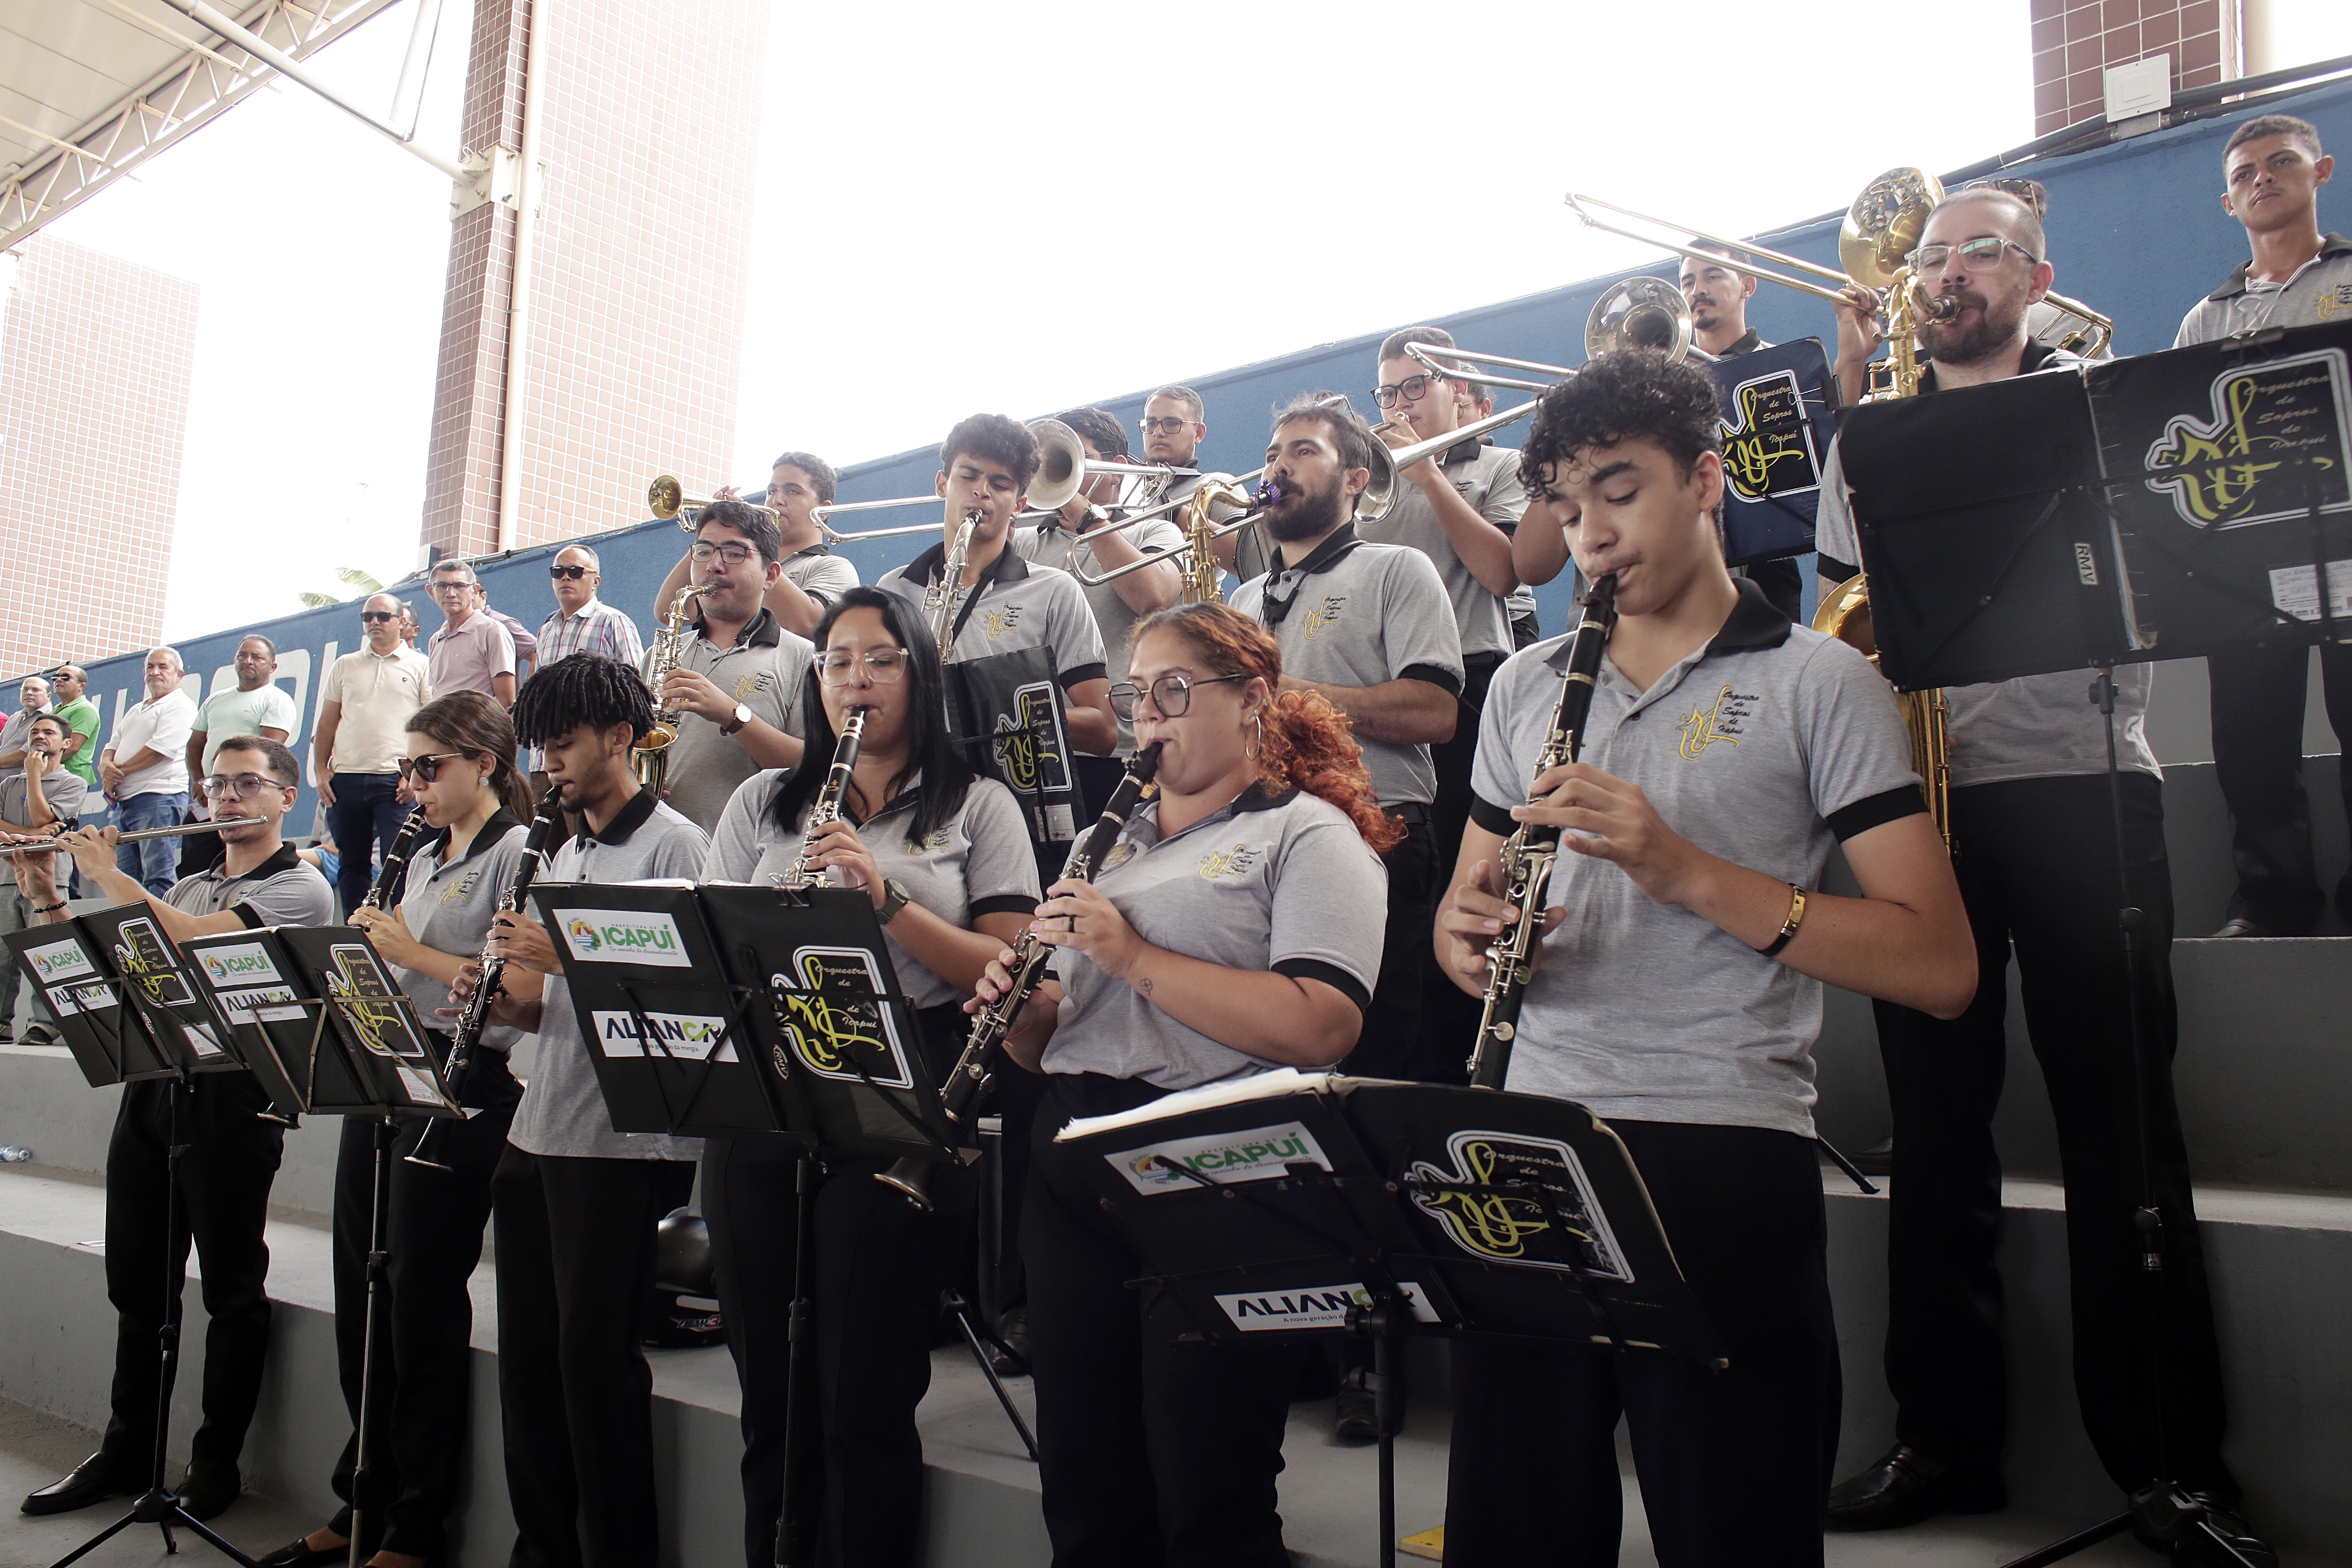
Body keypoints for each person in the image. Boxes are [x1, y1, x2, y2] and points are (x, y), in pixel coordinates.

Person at [1430, 350, 1974, 1566]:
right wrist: (1461, 935)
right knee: (1514, 1532)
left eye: (1619, 491)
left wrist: (1682, 869)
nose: (1589, 534)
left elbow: (1938, 964)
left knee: (1736, 1527)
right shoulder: (1524, 687)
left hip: (1720, 1143)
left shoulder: (1820, 680)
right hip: (1530, 1143)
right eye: (1564, 506)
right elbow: (1465, 900)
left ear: (1706, 480)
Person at [1814, 189, 2275, 1564]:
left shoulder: (2100, 409)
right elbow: (1836, 615)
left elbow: (2187, 573)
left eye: (1982, 251)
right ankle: (1942, 1441)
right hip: (1922, 811)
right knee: (1934, 1136)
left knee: (2122, 1130)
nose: (1950, 272)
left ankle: (2169, 1461)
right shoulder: (1867, 435)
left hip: (2084, 787)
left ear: (2039, 277)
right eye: (1934, 255)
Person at [971, 600, 1392, 1566]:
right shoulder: (1109, 839)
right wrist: (1024, 1020)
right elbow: (1061, 1039)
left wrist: (1127, 953)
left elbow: (1322, 1024)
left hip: (1224, 1168)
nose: (1147, 719)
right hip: (1076, 1156)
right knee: (1083, 1475)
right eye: (1135, 697)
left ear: (1251, 699)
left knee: (1207, 1486)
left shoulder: (1310, 834)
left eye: (1172, 692)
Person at [698, 586, 1041, 1568]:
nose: (857, 679)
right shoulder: (763, 802)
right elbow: (706, 941)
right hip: (769, 1085)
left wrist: (883, 898)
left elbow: (1008, 974)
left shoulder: (978, 804)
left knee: (863, 1392)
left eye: (881, 659)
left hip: (908, 1087)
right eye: (838, 661)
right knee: (771, 1393)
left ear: (919, 673)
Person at [15, 737, 334, 1524]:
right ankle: (128, 1447)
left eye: (247, 783)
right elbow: (121, 971)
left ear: (285, 795)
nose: (227, 798)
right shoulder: (191, 880)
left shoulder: (301, 885)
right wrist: (50, 898)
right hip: (158, 1081)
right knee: (138, 1282)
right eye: (216, 786)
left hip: (236, 1096)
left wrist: (107, 873)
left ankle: (215, 1462)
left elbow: (194, 939)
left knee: (230, 1286)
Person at [256, 693, 541, 1568]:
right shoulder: (420, 852)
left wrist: (405, 950)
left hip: (464, 1080)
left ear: (485, 763)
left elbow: (514, 991)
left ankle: (416, 1523)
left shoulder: (519, 852)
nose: (412, 786)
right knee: (363, 1292)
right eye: (407, 769)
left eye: (429, 767)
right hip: (386, 1065)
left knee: (418, 1300)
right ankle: (364, 1496)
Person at [1226, 390, 1461, 1439]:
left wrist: (1299, 698)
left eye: (1305, 450)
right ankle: (1304, 1338)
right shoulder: (1242, 590)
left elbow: (1436, 709)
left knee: (1370, 1090)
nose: (1278, 465)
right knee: (1276, 1094)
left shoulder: (1397, 569)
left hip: (1379, 840)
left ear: (1358, 478)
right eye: (1273, 450)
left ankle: (1382, 1352)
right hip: (1261, 849)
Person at [468, 654, 709, 1568]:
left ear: (620, 737)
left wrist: (561, 956)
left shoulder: (676, 846)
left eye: (563, 744)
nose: (549, 765)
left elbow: (690, 1002)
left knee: (594, 1365)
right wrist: (502, 1000)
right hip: (542, 1127)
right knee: (531, 1365)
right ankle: (543, 1550)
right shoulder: (563, 851)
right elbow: (553, 1009)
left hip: (622, 1143)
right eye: (541, 748)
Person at [2176, 113, 2350, 937]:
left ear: (2321, 171)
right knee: (2250, 734)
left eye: (2281, 162)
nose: (2262, 179)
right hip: (2246, 554)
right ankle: (2274, 899)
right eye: (2244, 173)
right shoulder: (2203, 320)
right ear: (2227, 202)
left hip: (2350, 536)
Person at [875, 413, 1118, 759]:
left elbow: (1103, 731)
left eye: (1001, 484)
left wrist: (993, 705)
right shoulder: (893, 589)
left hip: (1012, 785)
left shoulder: (1055, 591)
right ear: (942, 484)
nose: (981, 491)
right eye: (968, 476)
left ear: (1019, 505)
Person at [1011, 405, 1185, 753]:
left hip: (1129, 747)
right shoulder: (1019, 543)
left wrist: (1086, 517)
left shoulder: (1155, 530)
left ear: (1117, 470)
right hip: (1039, 746)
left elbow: (1152, 597)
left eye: (1079, 457)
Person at [642, 500, 812, 831]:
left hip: (747, 850)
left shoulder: (804, 658)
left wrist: (732, 715)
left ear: (770, 575)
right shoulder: (656, 655)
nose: (714, 565)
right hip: (655, 842)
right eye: (704, 551)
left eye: (734, 553)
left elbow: (815, 765)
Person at [1677, 244, 1806, 622]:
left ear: (1748, 285)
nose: (1698, 290)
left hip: (1767, 562)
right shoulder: (1666, 377)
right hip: (1686, 559)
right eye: (1688, 281)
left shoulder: (1782, 367)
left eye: (1713, 275)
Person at [654, 450, 862, 638]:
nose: (777, 500)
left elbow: (809, 626)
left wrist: (754, 540)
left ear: (823, 510)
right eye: (772, 491)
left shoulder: (833, 567)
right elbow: (667, 611)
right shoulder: (735, 557)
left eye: (793, 491)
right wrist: (711, 533)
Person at [315, 595, 434, 916]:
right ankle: (357, 932)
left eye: (383, 616)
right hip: (346, 780)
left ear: (401, 621)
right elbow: (327, 722)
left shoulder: (421, 664)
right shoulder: (345, 664)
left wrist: (415, 774)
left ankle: (403, 931)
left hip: (395, 783)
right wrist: (321, 771)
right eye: (368, 617)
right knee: (352, 863)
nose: (374, 623)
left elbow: (429, 724)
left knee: (402, 862)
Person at [528, 544, 645, 793]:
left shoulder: (612, 622)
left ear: (596, 581)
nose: (565, 578)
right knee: (541, 819)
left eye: (575, 571)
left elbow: (637, 690)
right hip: (543, 760)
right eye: (558, 572)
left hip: (589, 762)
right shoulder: (546, 630)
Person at [0, 713, 85, 1045]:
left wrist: (34, 775)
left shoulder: (73, 783)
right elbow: (37, 827)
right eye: (34, 731)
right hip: (6, 878)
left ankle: (45, 1024)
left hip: (49, 882)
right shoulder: (8, 785)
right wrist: (33, 833)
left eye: (48, 732)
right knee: (2, 957)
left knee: (48, 954)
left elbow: (43, 817)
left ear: (66, 743)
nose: (39, 736)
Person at [100, 647, 198, 897]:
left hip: (158, 798)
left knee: (157, 875)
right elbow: (111, 746)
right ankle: (134, 922)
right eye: (150, 667)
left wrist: (118, 772)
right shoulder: (136, 709)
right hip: (124, 803)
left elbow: (160, 750)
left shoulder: (180, 706)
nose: (155, 672)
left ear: (179, 674)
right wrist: (106, 767)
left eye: (163, 667)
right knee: (125, 879)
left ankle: (165, 922)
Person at [424, 558, 518, 707]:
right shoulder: (436, 640)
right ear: (431, 591)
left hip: (477, 722)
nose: (451, 593)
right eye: (442, 586)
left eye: (459, 586)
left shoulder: (492, 631)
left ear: (474, 591)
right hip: (439, 722)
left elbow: (507, 703)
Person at [50, 664, 100, 794]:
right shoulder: (55, 710)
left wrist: (43, 766)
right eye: (55, 677)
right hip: (53, 775)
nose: (58, 680)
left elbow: (72, 747)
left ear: (81, 686)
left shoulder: (85, 709)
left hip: (71, 777)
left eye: (66, 677)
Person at [0, 674, 51, 779]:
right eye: (25, 689)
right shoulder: (15, 716)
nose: (29, 693)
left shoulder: (49, 720)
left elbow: (26, 754)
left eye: (36, 690)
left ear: (48, 696)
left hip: (17, 782)